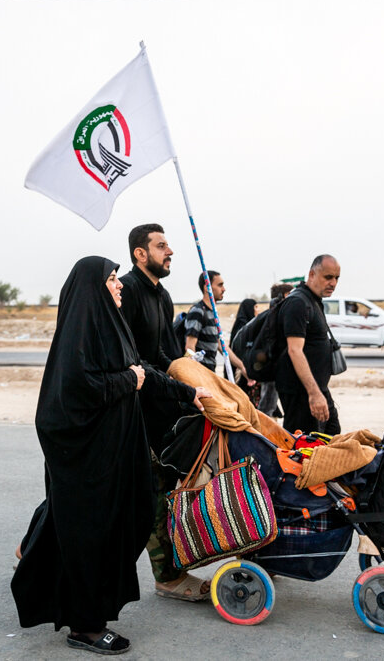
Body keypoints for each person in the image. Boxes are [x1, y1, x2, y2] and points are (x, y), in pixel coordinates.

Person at [11, 256, 209, 655]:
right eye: (113, 279)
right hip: (88, 460)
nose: (119, 285)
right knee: (91, 537)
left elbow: (143, 371)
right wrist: (128, 379)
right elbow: (78, 388)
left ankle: (38, 569)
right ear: (93, 288)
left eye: (118, 278)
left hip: (113, 453)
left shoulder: (112, 327)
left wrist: (189, 395)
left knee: (120, 523)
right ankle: (85, 626)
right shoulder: (80, 334)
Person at [118, 224, 213, 602]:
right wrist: (183, 392)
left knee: (147, 492)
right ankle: (168, 577)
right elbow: (135, 361)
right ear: (140, 253)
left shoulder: (163, 294)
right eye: (160, 246)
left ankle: (33, 547)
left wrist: (198, 384)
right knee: (150, 494)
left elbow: (166, 356)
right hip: (132, 413)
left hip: (160, 409)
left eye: (168, 245)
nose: (169, 251)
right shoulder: (126, 292)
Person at [276, 255, 342, 435]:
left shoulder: (312, 300)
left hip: (318, 389)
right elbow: (294, 350)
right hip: (302, 394)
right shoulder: (298, 302)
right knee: (304, 451)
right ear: (312, 274)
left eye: (336, 278)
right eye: (328, 277)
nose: (333, 283)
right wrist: (313, 394)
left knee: (332, 435)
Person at [184, 270, 250, 380]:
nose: (224, 289)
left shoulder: (213, 313)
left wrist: (242, 367)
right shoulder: (198, 312)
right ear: (207, 287)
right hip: (202, 377)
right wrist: (197, 377)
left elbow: (221, 346)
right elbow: (189, 348)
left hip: (211, 374)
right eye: (220, 285)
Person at [257, 283, 293, 417]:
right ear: (282, 297)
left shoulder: (275, 314)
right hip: (273, 367)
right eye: (290, 295)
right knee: (267, 406)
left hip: (277, 368)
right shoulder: (274, 316)